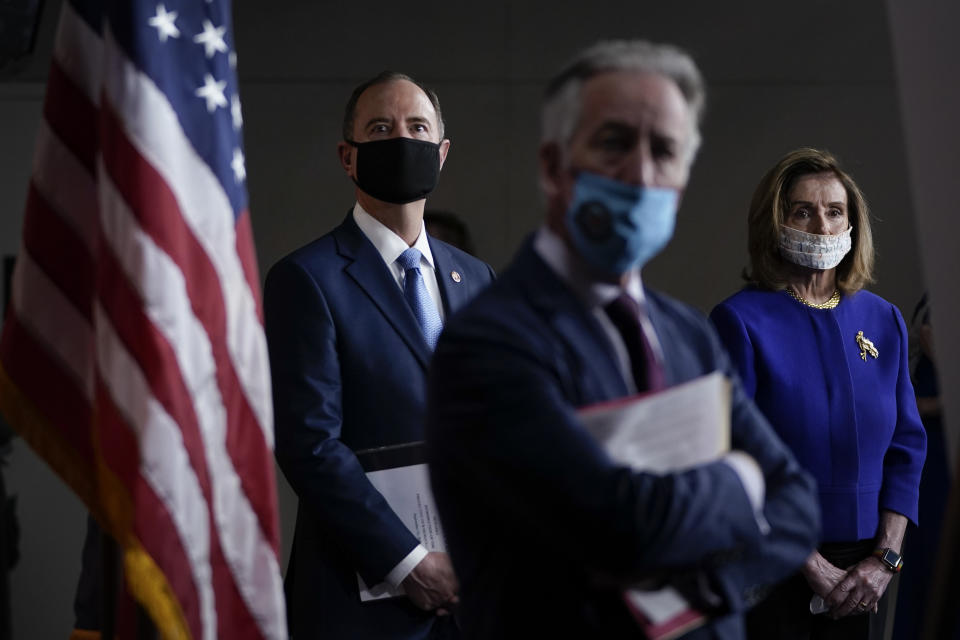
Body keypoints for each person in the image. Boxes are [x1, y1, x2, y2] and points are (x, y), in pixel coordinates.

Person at [425, 40, 820, 639]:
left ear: (682, 181)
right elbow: (625, 525)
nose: (640, 172)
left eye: (664, 151)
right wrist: (740, 480)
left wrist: (704, 585)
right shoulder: (487, 342)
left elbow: (797, 505)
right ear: (554, 167)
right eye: (614, 143)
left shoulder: (688, 333)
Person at [265, 71, 495, 639]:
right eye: (381, 128)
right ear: (349, 156)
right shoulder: (306, 279)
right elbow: (309, 444)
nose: (401, 140)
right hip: (364, 602)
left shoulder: (478, 278)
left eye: (418, 128)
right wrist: (409, 562)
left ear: (441, 154)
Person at [709, 148, 927, 640]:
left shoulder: (883, 320)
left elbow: (907, 448)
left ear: (853, 225)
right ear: (775, 222)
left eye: (835, 211)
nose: (822, 226)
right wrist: (813, 568)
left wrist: (886, 559)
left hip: (868, 571)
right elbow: (728, 459)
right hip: (775, 564)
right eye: (802, 211)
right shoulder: (740, 321)